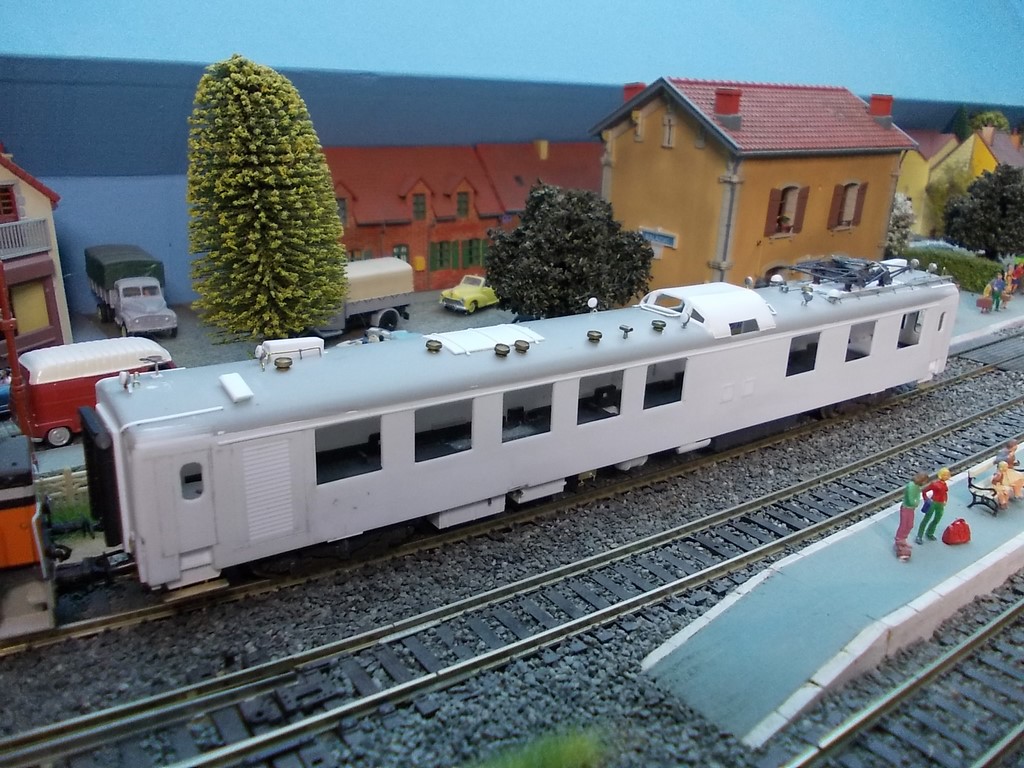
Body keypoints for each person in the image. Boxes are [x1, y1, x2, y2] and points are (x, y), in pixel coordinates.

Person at [894, 472, 928, 561]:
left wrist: (916, 502)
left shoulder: (916, 486)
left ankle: (903, 539)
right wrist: (916, 503)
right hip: (906, 508)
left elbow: (917, 497)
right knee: (904, 525)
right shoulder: (911, 486)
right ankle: (899, 540)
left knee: (909, 525)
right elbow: (911, 499)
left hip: (911, 508)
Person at [916, 468, 950, 544]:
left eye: (948, 475)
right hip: (933, 503)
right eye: (946, 475)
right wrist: (926, 499)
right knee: (926, 519)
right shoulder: (935, 484)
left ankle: (930, 532)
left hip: (940, 504)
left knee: (937, 518)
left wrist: (945, 500)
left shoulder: (944, 485)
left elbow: (945, 493)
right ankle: (919, 536)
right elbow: (924, 491)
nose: (947, 476)